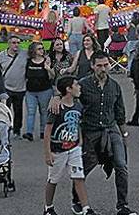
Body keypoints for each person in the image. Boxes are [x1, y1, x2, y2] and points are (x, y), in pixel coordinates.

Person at [62, 50, 136, 215]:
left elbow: (120, 113)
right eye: (100, 66)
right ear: (93, 66)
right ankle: (77, 201)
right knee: (85, 167)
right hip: (90, 131)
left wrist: (124, 135)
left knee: (121, 166)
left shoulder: (114, 86)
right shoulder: (82, 84)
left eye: (106, 65)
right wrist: (56, 100)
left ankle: (122, 205)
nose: (103, 69)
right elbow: (68, 100)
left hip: (111, 130)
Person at [43, 76, 96, 215]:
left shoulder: (78, 105)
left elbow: (78, 123)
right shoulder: (56, 108)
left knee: (78, 176)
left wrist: (80, 142)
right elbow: (48, 131)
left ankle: (86, 208)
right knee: (53, 179)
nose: (79, 87)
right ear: (68, 89)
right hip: (58, 150)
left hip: (74, 148)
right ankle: (48, 207)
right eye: (76, 85)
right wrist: (47, 153)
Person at [23, 42, 55, 142]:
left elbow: (52, 76)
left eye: (42, 48)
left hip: (44, 90)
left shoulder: (46, 61)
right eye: (39, 49)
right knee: (31, 112)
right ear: (33, 51)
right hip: (31, 91)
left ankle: (43, 132)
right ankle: (29, 132)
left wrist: (48, 68)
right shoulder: (28, 61)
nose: (42, 50)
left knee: (44, 112)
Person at [0, 35, 28, 139]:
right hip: (6, 88)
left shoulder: (24, 54)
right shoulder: (1, 56)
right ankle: (5, 130)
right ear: (9, 44)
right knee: (5, 111)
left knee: (18, 111)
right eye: (14, 43)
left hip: (20, 88)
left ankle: (17, 131)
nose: (16, 45)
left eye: (18, 43)